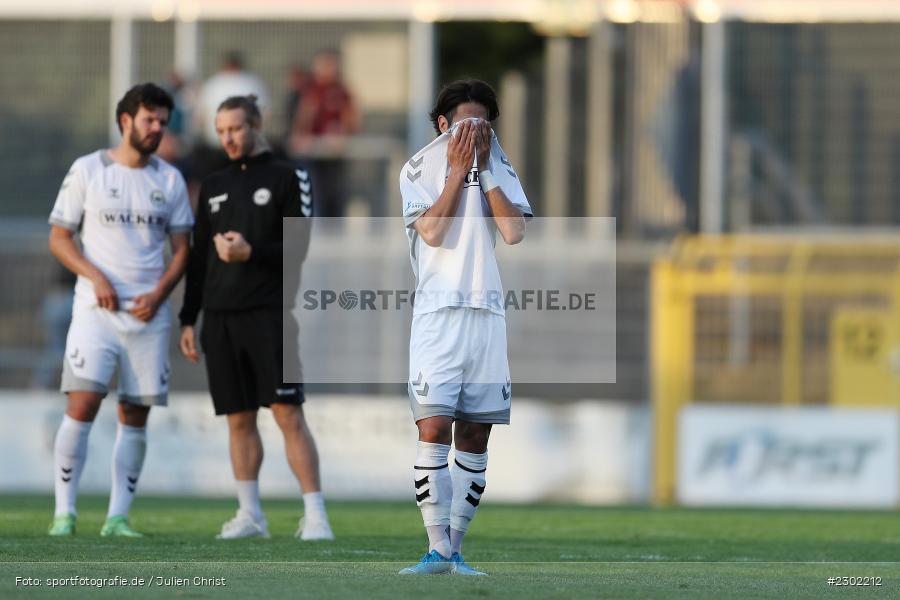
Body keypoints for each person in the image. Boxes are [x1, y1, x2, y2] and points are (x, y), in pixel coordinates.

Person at [178, 95, 332, 541]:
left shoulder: (289, 177)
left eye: (235, 129)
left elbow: (300, 248)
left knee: (287, 413)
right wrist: (189, 319)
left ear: (257, 125)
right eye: (220, 130)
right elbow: (199, 259)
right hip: (220, 320)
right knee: (238, 419)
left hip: (270, 316)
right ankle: (250, 515)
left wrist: (251, 252)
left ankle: (316, 515)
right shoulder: (212, 184)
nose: (227, 138)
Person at [398, 80, 532, 575]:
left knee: (475, 434)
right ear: (442, 125)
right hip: (438, 314)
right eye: (464, 123)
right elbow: (431, 231)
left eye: (483, 123)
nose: (474, 131)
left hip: (487, 315)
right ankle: (435, 547)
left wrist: (484, 167)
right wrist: (458, 171)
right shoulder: (418, 167)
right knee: (433, 427)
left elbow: (514, 232)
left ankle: (454, 549)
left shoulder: (499, 161)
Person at [47, 83, 193, 537]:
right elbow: (58, 237)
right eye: (150, 120)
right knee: (84, 403)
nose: (157, 129)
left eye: (163, 122)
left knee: (136, 414)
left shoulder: (168, 179)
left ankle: (117, 517)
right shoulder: (88, 170)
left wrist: (161, 293)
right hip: (96, 311)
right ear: (125, 120)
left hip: (149, 318)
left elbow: (184, 249)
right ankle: (64, 514)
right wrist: (97, 277)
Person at [289, 50, 359, 217]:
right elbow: (305, 116)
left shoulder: (342, 90)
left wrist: (344, 133)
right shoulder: (313, 90)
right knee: (315, 188)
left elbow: (351, 118)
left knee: (335, 190)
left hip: (335, 152)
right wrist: (301, 134)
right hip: (315, 151)